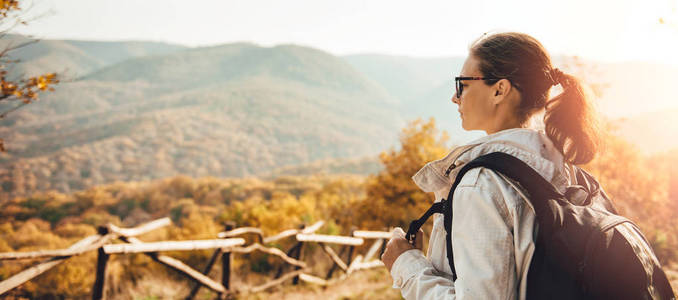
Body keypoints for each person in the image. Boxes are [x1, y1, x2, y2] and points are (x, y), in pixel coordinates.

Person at [381, 32, 601, 299]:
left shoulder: (482, 185)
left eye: (462, 84)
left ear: (499, 90)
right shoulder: (569, 173)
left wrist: (406, 264)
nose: (455, 97)